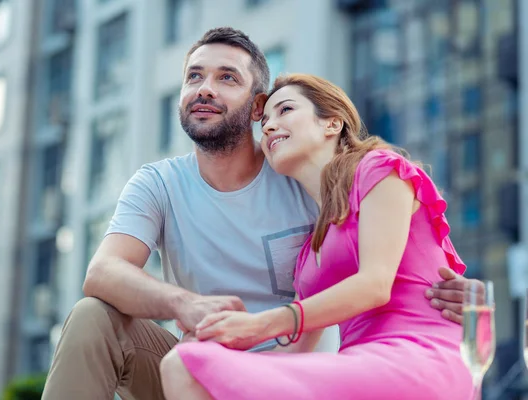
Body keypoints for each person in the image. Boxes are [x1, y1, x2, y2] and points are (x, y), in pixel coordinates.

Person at [42, 28, 472, 400]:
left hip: (303, 376)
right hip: (211, 363)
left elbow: (386, 264)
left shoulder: (307, 178)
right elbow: (102, 272)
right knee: (93, 316)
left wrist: (447, 288)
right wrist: (186, 305)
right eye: (194, 76)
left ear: (254, 106)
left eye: (227, 77)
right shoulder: (157, 183)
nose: (205, 88)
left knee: (192, 366)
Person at [159, 74, 474, 400]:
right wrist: (221, 336)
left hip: (419, 356)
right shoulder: (310, 251)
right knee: (186, 364)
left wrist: (262, 324)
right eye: (264, 121)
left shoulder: (380, 169)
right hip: (357, 364)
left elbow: (375, 285)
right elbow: (294, 353)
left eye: (285, 110)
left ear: (332, 124)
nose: (268, 127)